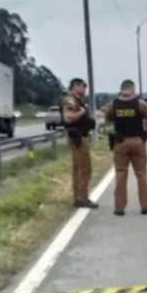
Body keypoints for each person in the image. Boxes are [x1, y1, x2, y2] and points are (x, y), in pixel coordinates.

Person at [103, 80, 147, 216]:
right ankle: (145, 206)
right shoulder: (140, 104)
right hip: (137, 142)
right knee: (141, 174)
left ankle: (119, 208)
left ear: (121, 89)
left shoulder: (113, 104)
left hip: (120, 142)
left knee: (121, 174)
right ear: (133, 90)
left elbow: (107, 119)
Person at [61, 78, 98, 209]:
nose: (84, 89)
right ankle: (81, 197)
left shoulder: (76, 100)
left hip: (81, 136)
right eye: (83, 87)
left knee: (83, 168)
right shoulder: (70, 100)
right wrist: (82, 112)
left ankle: (81, 196)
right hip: (77, 137)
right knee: (82, 168)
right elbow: (68, 117)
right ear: (75, 87)